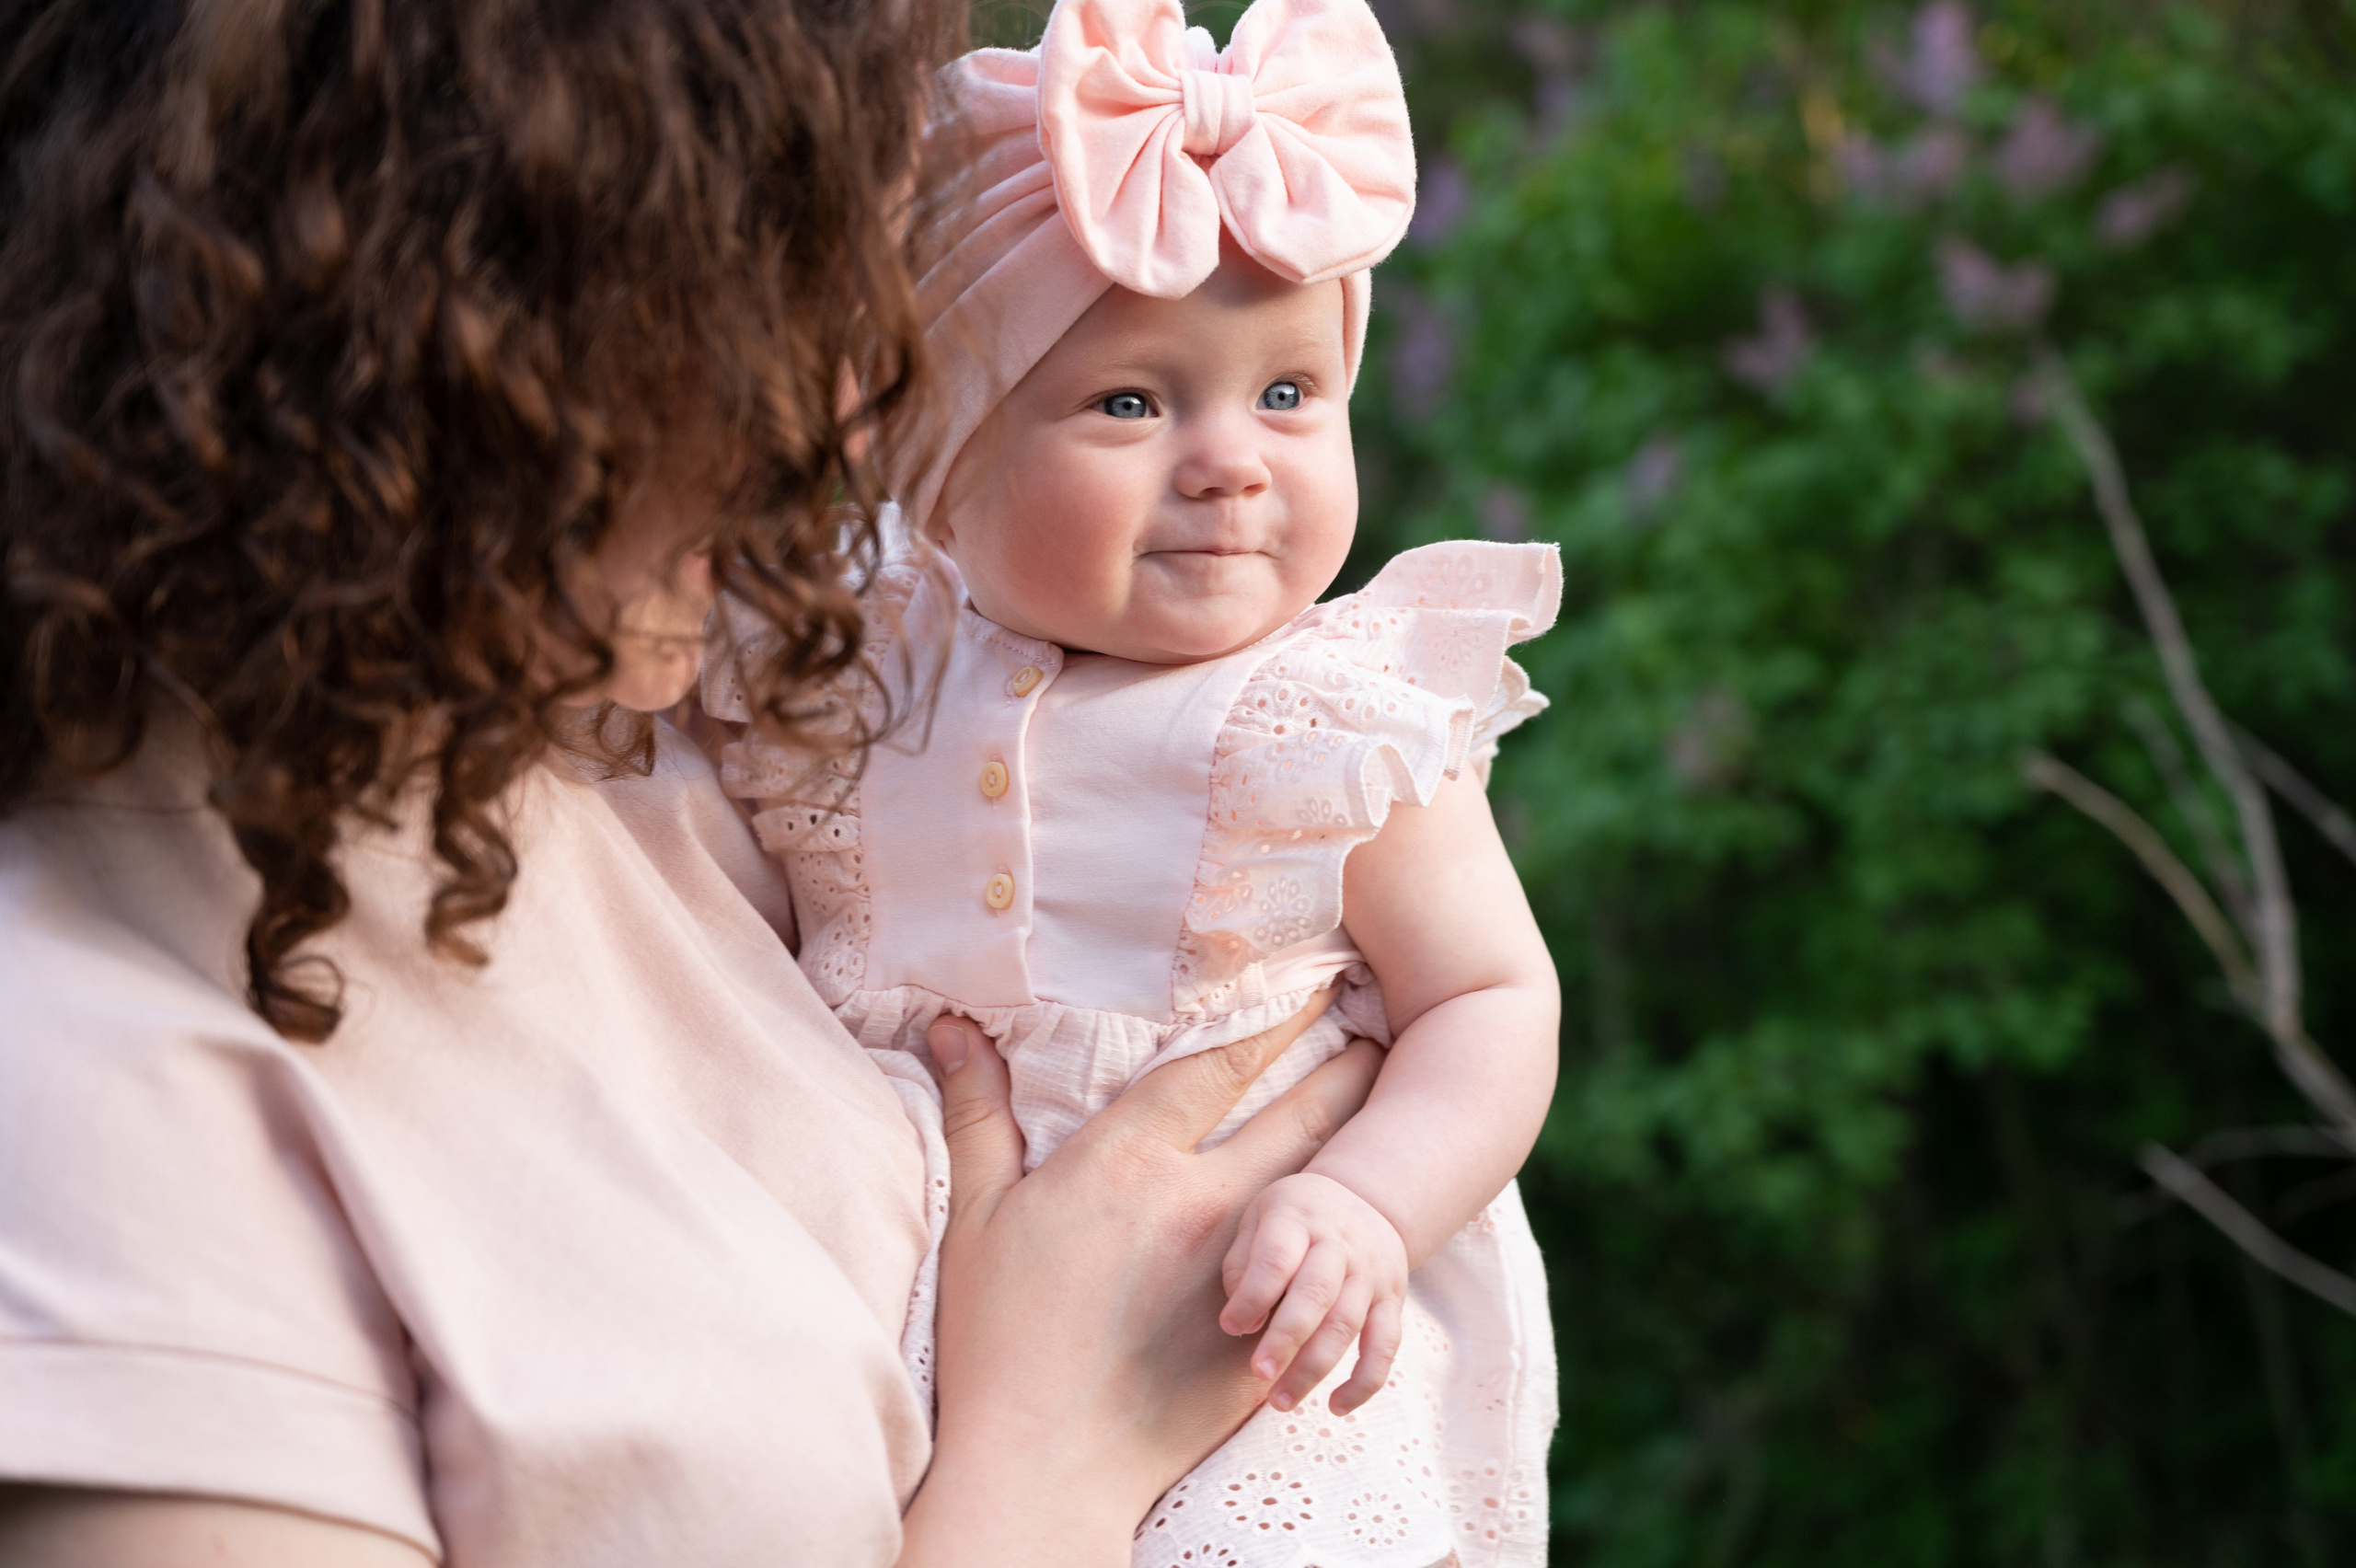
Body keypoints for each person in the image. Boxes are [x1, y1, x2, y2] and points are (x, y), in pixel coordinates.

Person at [0, 1, 1388, 1563]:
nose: (868, 395)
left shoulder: (642, 747)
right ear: (474, 305)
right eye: (776, 284)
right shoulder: (82, 1101)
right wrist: (1055, 1460)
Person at [710, 0, 1562, 1560]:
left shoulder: (1328, 717)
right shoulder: (847, 659)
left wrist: (1368, 1203)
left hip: (1247, 1313)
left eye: (1290, 395)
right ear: (939, 455)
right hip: (889, 1298)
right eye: (1133, 401)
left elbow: (1492, 1002)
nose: (1232, 458)